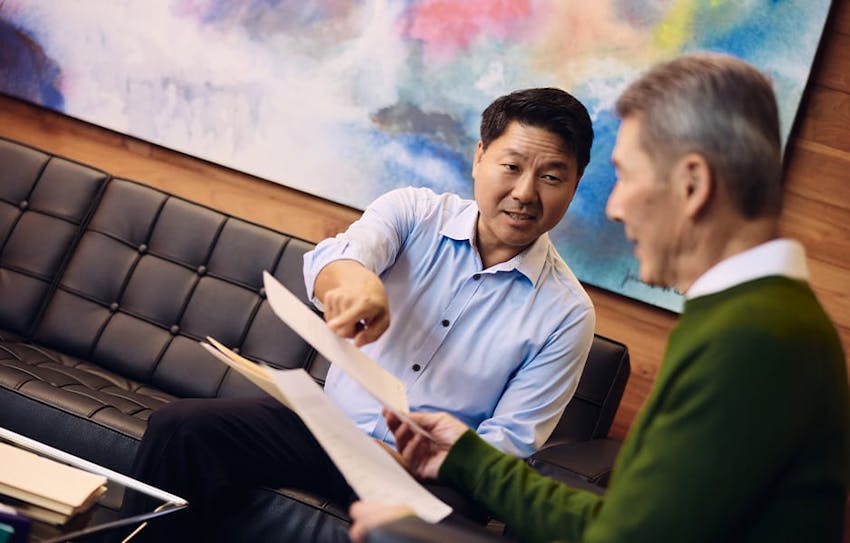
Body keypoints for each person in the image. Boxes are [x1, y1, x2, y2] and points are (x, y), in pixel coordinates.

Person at [349, 53, 850, 543]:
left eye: (627, 177)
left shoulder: (753, 340)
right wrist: (463, 456)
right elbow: (634, 521)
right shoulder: (757, 317)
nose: (614, 207)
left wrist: (416, 535)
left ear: (693, 184)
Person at [126, 87, 597, 542]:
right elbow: (335, 261)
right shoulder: (414, 211)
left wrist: (425, 458)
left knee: (435, 530)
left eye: (552, 177)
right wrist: (355, 284)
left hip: (427, 475)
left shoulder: (567, 313)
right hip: (330, 429)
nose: (524, 192)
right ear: (480, 157)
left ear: (574, 184)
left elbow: (507, 446)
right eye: (510, 166)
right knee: (182, 428)